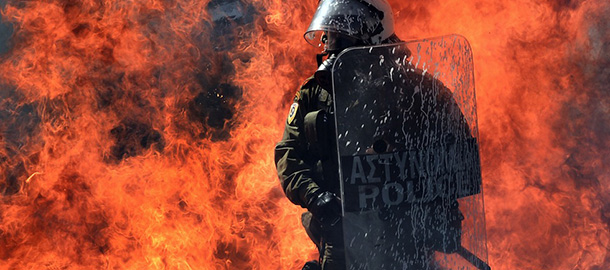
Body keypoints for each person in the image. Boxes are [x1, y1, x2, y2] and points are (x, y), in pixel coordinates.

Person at [274, 1, 401, 269]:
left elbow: (452, 152)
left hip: (403, 234)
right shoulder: (315, 93)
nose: (331, 44)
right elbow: (289, 154)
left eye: (342, 35)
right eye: (330, 34)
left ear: (373, 38)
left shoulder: (411, 90)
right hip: (341, 236)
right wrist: (316, 196)